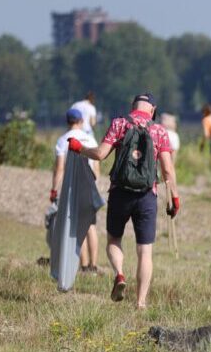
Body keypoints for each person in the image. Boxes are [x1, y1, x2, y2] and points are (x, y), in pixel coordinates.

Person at [67, 93, 180, 310]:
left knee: (113, 241)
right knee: (145, 251)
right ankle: (140, 302)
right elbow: (167, 169)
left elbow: (100, 154)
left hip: (120, 193)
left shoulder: (120, 123)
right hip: (147, 195)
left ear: (132, 106)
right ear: (153, 109)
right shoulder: (159, 131)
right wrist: (174, 197)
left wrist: (79, 148)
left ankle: (119, 274)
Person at [51, 108, 101, 272]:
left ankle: (84, 265)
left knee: (77, 225)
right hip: (90, 185)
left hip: (72, 187)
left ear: (68, 121)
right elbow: (97, 168)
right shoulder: (91, 139)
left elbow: (60, 168)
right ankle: (94, 265)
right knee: (91, 225)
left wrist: (54, 189)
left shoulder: (62, 140)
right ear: (81, 121)